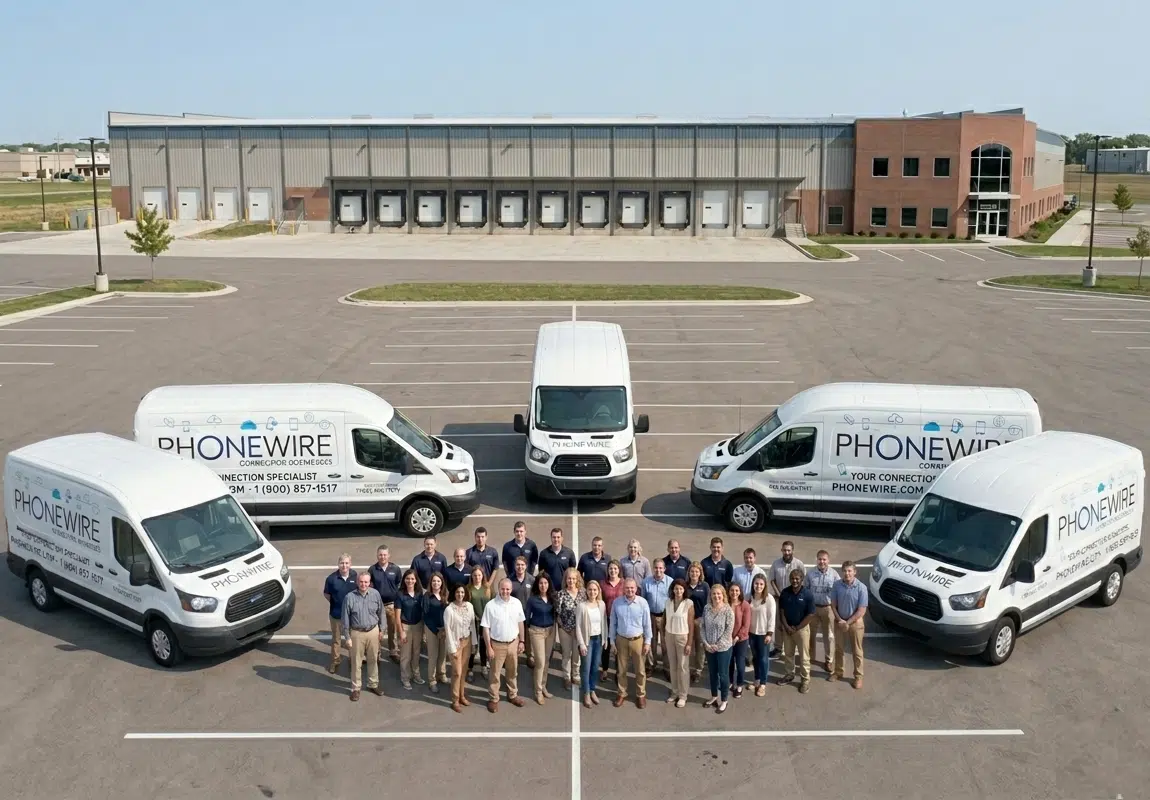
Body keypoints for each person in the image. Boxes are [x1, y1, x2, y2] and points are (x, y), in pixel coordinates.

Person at [481, 578, 528, 713]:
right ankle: (494, 698)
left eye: (507, 589)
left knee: (512, 672)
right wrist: (489, 647)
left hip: (513, 643)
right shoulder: (491, 605)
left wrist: (522, 641)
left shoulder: (516, 603)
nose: (505, 591)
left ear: (511, 589)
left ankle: (512, 695)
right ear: (498, 589)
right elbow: (485, 628)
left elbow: (521, 623)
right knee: (495, 674)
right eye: (503, 589)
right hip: (497, 645)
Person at [340, 572, 386, 701]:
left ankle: (373, 684)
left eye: (366, 582)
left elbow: (381, 613)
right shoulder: (349, 597)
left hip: (373, 631)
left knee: (373, 659)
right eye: (361, 582)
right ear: (357, 582)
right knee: (356, 662)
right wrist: (347, 637)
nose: (363, 584)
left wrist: (382, 630)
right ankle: (356, 688)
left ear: (369, 582)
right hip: (357, 633)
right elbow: (345, 619)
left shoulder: (375, 594)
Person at [609, 578, 652, 709]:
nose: (630, 590)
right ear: (623, 589)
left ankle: (641, 695)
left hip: (638, 640)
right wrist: (612, 641)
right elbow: (613, 623)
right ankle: (622, 693)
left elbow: (647, 624)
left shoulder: (642, 603)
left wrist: (648, 642)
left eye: (632, 588)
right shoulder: (617, 603)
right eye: (627, 588)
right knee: (621, 670)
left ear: (636, 589)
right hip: (621, 639)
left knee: (640, 670)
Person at [830, 561, 868, 690]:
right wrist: (840, 619)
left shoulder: (861, 587)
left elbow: (862, 610)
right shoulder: (836, 585)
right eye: (845, 571)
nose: (847, 573)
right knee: (839, 648)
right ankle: (838, 672)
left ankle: (858, 677)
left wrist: (848, 622)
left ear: (855, 572)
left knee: (857, 651)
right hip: (839, 621)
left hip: (855, 623)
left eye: (850, 571)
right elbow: (833, 605)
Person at [776, 568, 816, 693]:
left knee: (804, 657)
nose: (794, 581)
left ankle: (805, 681)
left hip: (802, 630)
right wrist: (786, 627)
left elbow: (810, 615)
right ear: (790, 579)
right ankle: (789, 675)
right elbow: (781, 611)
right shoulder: (785, 593)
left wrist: (797, 628)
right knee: (788, 654)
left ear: (802, 580)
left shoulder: (808, 594)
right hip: (788, 630)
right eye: (792, 578)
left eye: (797, 578)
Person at [804, 549, 840, 673]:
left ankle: (828, 660)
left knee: (829, 636)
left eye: (824, 559)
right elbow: (806, 591)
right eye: (820, 559)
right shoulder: (810, 574)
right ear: (816, 560)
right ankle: (809, 657)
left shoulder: (834, 575)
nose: (822, 562)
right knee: (810, 634)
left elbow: (838, 592)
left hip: (827, 608)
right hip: (813, 608)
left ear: (828, 560)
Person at [701, 583, 735, 714]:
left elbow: (728, 631)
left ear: (723, 595)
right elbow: (702, 627)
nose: (716, 596)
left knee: (723, 674)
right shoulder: (706, 608)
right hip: (709, 647)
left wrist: (717, 645)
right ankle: (714, 696)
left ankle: (724, 699)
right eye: (714, 594)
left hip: (723, 648)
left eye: (719, 594)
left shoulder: (728, 611)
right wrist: (706, 643)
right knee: (712, 673)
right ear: (711, 595)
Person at [768, 541, 806, 658]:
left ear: (792, 550)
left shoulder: (799, 564)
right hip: (780, 599)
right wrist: (779, 594)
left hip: (794, 599)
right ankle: (778, 648)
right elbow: (772, 580)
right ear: (781, 550)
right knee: (779, 624)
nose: (787, 552)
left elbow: (803, 581)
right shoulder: (776, 564)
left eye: (789, 550)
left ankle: (794, 647)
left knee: (794, 622)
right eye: (785, 550)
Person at [525, 572, 558, 705]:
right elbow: (527, 616)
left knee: (547, 661)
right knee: (540, 662)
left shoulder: (552, 598)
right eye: (540, 583)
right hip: (537, 631)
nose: (543, 585)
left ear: (549, 584)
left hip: (550, 631)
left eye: (545, 583)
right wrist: (530, 630)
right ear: (537, 585)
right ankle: (538, 692)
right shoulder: (532, 599)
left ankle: (543, 686)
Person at [323, 554, 358, 674]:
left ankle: (352, 660)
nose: (344, 565)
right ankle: (335, 661)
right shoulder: (331, 579)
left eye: (347, 563)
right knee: (336, 640)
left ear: (350, 564)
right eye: (342, 563)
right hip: (336, 614)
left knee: (352, 639)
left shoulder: (355, 576)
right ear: (338, 564)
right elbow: (327, 594)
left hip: (352, 616)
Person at [444, 583, 477, 712]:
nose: (460, 595)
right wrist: (453, 649)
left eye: (462, 592)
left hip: (467, 642)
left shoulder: (469, 606)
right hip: (456, 644)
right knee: (456, 672)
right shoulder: (449, 609)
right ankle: (455, 700)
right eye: (458, 592)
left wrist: (474, 643)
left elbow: (473, 625)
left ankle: (462, 695)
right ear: (454, 593)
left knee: (463, 671)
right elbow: (448, 630)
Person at [367, 545, 402, 663]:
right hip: (377, 606)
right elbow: (369, 586)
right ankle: (377, 652)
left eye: (385, 554)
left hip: (391, 605)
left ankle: (393, 651)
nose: (382, 557)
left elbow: (398, 584)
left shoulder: (395, 569)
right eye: (380, 555)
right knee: (377, 630)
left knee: (393, 629)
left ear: (389, 555)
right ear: (377, 555)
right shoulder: (372, 569)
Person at [664, 578, 695, 708]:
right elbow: (665, 620)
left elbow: (691, 624)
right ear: (673, 589)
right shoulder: (668, 602)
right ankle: (675, 692)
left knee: (682, 667)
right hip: (669, 635)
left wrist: (689, 643)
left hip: (682, 636)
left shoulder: (688, 603)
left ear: (684, 590)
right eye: (676, 588)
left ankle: (683, 695)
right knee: (673, 665)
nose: (678, 591)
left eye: (681, 589)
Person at [576, 579, 607, 708]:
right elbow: (577, 626)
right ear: (586, 591)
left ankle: (592, 689)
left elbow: (604, 622)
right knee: (586, 668)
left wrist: (605, 639)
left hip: (598, 639)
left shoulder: (602, 604)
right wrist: (581, 644)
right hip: (587, 641)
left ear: (598, 591)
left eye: (595, 589)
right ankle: (586, 693)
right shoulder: (581, 606)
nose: (592, 592)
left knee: (595, 667)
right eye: (590, 589)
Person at [641, 558, 672, 678]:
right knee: (650, 643)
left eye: (660, 568)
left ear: (664, 569)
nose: (658, 570)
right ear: (653, 569)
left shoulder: (670, 582)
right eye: (656, 568)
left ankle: (667, 668)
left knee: (665, 644)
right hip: (651, 616)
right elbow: (643, 601)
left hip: (665, 616)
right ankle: (650, 666)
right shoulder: (646, 582)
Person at [555, 567, 586, 690]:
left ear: (577, 579)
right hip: (565, 630)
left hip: (579, 630)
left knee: (577, 654)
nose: (571, 581)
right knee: (566, 654)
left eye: (573, 578)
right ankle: (567, 677)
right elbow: (557, 613)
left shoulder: (583, 593)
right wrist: (564, 627)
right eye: (569, 578)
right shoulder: (561, 594)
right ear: (565, 579)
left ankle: (576, 675)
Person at [396, 569, 425, 690]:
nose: (410, 581)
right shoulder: (400, 594)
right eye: (407, 578)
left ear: (416, 580)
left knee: (416, 652)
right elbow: (397, 616)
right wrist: (401, 632)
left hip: (418, 626)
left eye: (412, 579)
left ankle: (416, 675)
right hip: (406, 626)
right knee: (405, 655)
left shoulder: (419, 593)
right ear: (404, 580)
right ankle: (405, 677)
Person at [748, 573, 776, 697]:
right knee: (755, 658)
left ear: (764, 586)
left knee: (763, 659)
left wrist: (769, 633)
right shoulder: (749, 597)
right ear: (753, 584)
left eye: (761, 584)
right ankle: (757, 680)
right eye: (756, 583)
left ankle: (763, 684)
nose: (758, 586)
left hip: (764, 634)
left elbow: (772, 618)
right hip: (752, 634)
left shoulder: (769, 599)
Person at [422, 572, 449, 694]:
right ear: (430, 583)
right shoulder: (427, 596)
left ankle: (441, 674)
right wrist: (436, 630)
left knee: (443, 654)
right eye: (434, 581)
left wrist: (444, 629)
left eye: (438, 581)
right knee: (433, 655)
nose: (436, 583)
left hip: (444, 629)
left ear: (442, 582)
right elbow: (426, 615)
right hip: (432, 629)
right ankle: (432, 680)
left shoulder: (446, 595)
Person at [508, 554, 536, 668]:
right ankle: (512, 657)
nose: (520, 567)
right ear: (515, 566)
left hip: (528, 614)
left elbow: (535, 597)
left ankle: (530, 656)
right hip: (514, 616)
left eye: (522, 565)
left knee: (528, 637)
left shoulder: (532, 580)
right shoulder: (510, 580)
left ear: (526, 566)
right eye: (518, 565)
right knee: (514, 637)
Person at [599, 560, 624, 683]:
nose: (613, 571)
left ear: (619, 570)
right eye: (610, 569)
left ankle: (619, 672)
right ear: (607, 570)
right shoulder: (602, 584)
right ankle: (604, 669)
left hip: (621, 620)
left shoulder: (624, 584)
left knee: (619, 647)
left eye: (615, 568)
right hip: (607, 619)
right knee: (606, 646)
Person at [685, 561, 709, 683]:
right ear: (688, 572)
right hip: (686, 620)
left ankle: (698, 670)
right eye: (692, 571)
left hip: (700, 620)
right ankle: (688, 669)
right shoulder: (685, 586)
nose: (694, 573)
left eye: (696, 571)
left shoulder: (704, 586)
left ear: (700, 573)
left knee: (700, 646)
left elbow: (708, 604)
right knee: (688, 645)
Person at [467, 565, 492, 678]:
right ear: (471, 576)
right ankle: (470, 668)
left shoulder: (488, 588)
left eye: (479, 575)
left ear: (483, 576)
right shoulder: (468, 589)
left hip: (485, 622)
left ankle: (483, 666)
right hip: (473, 622)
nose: (477, 577)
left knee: (484, 644)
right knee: (473, 645)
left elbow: (493, 604)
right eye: (475, 575)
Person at [726, 583, 751, 698]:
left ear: (740, 592)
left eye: (736, 590)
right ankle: (730, 682)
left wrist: (736, 637)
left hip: (741, 640)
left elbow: (746, 625)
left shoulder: (745, 605)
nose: (734, 593)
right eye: (732, 590)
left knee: (740, 664)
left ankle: (740, 685)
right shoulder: (725, 604)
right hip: (727, 639)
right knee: (729, 662)